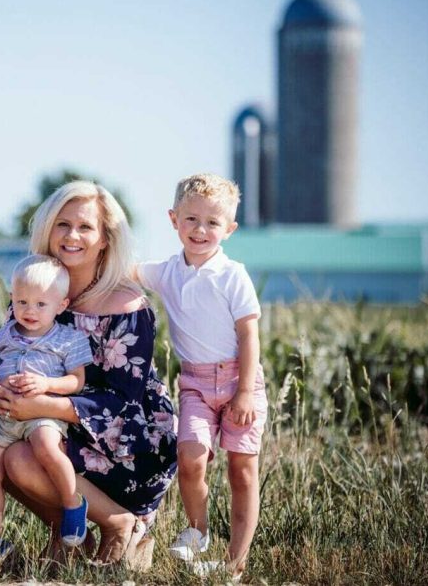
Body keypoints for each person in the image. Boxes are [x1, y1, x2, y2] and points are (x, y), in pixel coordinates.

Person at [0, 180, 179, 568]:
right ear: (47, 230)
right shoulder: (33, 291)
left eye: (85, 227)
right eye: (62, 224)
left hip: (127, 442)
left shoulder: (128, 306)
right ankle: (70, 537)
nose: (72, 236)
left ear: (105, 239)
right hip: (51, 423)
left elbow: (123, 404)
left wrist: (42, 404)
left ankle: (122, 525)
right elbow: (7, 358)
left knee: (21, 458)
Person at [134, 173, 266, 581]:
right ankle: (198, 532)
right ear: (174, 219)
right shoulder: (167, 272)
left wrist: (244, 391)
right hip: (193, 384)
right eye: (191, 219)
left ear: (230, 229)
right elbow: (126, 269)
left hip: (240, 381)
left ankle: (235, 562)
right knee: (190, 459)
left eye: (212, 222)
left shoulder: (232, 275)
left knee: (241, 470)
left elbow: (249, 335)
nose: (201, 230)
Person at [0, 254, 94, 566]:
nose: (30, 311)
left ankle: (73, 504)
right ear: (12, 299)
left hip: (43, 416)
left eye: (41, 304)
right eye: (22, 302)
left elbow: (76, 381)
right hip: (6, 417)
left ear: (61, 305)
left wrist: (46, 384)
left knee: (45, 446)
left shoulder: (68, 339)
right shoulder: (7, 332)